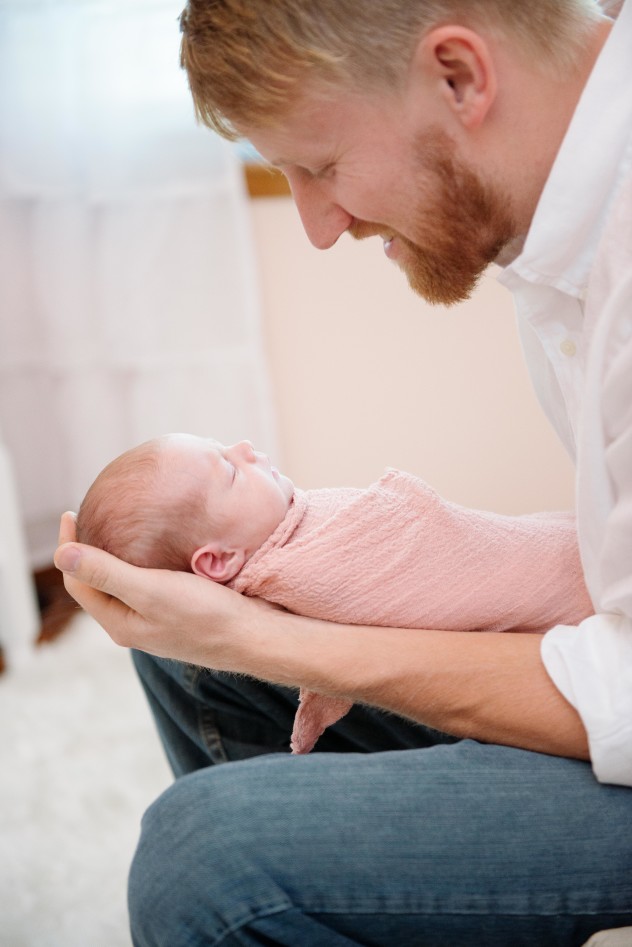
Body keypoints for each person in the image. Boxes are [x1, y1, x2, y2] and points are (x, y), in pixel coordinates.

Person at [54, 0, 632, 943]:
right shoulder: (559, 209)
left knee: (206, 859)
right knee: (182, 645)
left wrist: (270, 641)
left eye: (321, 166)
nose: (320, 226)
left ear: (459, 75)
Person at [75, 432, 594, 753]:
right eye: (230, 470)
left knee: (180, 653)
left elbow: (446, 548)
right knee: (166, 650)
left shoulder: (301, 543)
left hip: (581, 618)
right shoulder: (298, 573)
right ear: (216, 561)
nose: (246, 448)